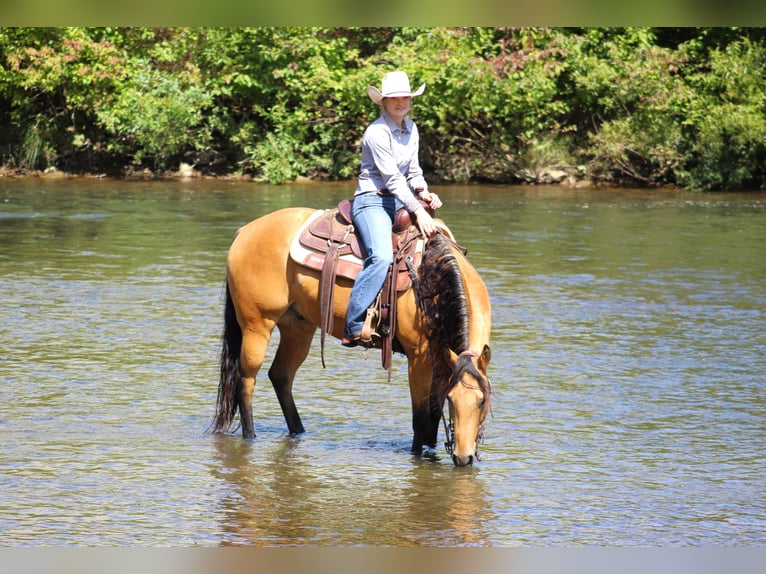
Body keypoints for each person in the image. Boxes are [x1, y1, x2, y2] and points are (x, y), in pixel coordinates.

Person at [342, 70, 442, 348]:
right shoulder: (376, 132)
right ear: (383, 102)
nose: (401, 102)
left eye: (405, 97)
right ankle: (352, 324)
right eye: (394, 98)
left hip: (400, 200)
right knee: (382, 257)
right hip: (371, 199)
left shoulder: (412, 129)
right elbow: (392, 178)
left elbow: (413, 171)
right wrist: (418, 211)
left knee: (436, 247)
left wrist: (424, 193)